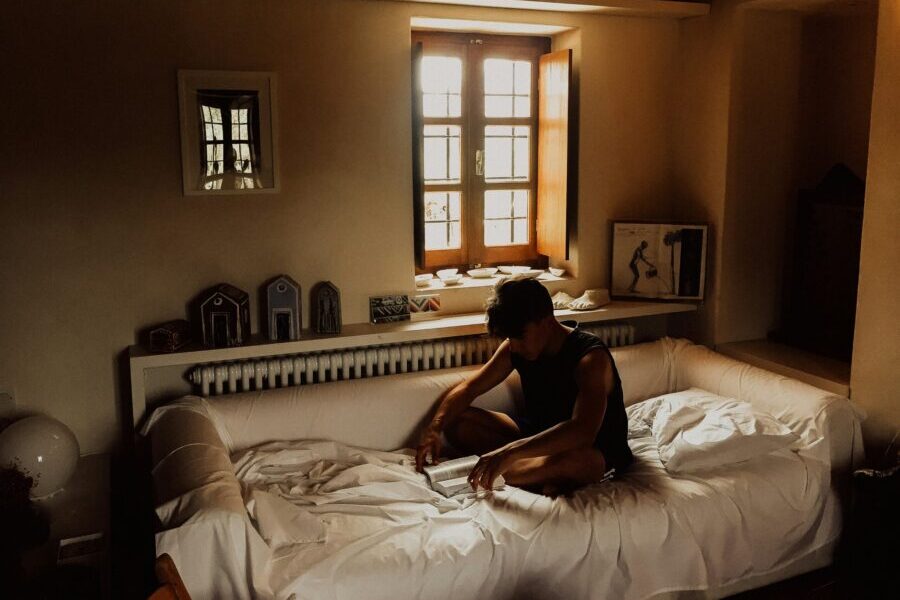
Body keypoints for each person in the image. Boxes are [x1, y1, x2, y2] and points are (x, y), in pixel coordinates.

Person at [415, 278, 633, 496]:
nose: (515, 346)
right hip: (536, 434)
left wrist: (510, 452)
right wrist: (435, 428)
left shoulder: (590, 358)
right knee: (460, 422)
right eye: (511, 337)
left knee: (573, 461)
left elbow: (582, 431)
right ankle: (532, 475)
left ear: (547, 322)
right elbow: (470, 388)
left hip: (593, 449)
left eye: (520, 337)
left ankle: (518, 472)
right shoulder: (514, 348)